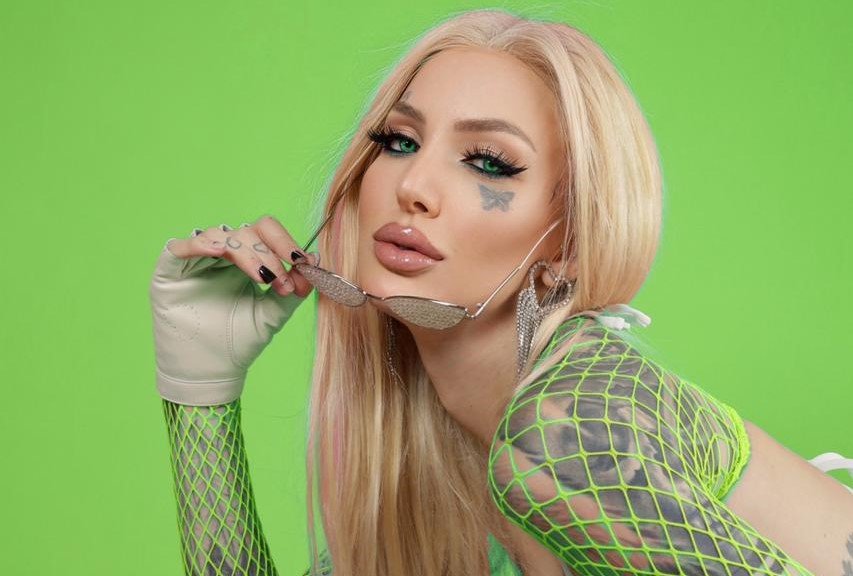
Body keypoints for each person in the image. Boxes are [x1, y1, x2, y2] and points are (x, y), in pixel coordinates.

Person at [149, 9, 853, 576]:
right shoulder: (444, 481)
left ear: (569, 240)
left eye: (488, 162)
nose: (413, 186)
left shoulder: (568, 432)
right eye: (398, 141)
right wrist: (200, 387)